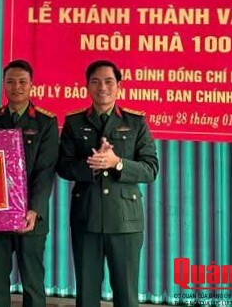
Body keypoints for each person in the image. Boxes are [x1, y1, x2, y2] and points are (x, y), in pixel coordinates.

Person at [57, 60, 159, 307]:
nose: (102, 87)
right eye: (95, 82)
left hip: (125, 221)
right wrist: (91, 165)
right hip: (87, 218)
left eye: (108, 81)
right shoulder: (74, 122)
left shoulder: (135, 122)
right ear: (87, 87)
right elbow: (63, 166)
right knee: (87, 296)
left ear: (119, 86)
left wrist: (117, 163)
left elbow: (150, 169)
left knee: (126, 296)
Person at [0, 59, 59, 307]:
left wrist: (33, 210)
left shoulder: (45, 122)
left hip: (30, 217)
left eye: (22, 82)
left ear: (31, 85)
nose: (16, 87)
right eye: (11, 82)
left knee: (33, 284)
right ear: (3, 84)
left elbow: (46, 171)